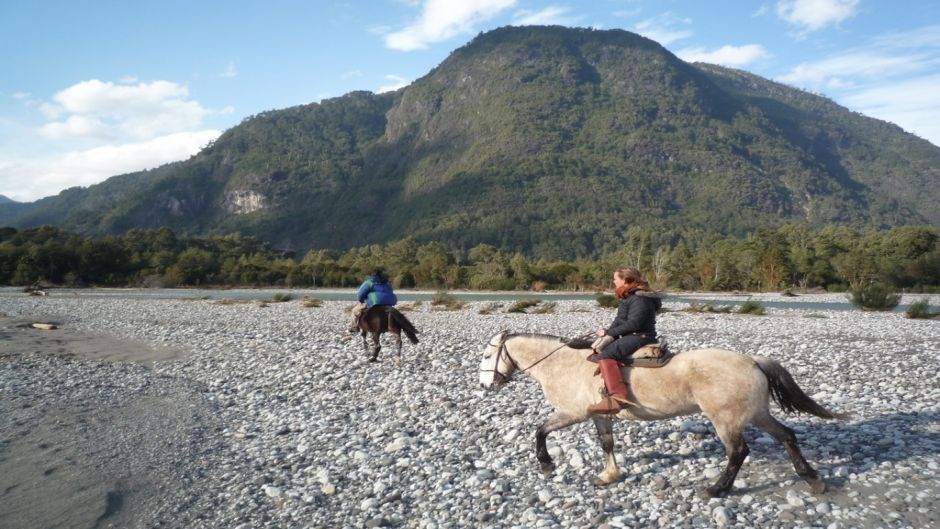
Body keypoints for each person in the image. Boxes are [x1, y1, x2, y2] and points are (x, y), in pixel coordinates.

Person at [587, 266, 662, 414]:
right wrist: (608, 335)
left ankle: (617, 399)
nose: (613, 281)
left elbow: (634, 324)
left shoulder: (640, 299)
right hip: (632, 335)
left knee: (607, 354)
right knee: (600, 348)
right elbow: (620, 320)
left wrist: (610, 332)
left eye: (616, 279)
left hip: (640, 336)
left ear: (626, 280)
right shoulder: (629, 297)